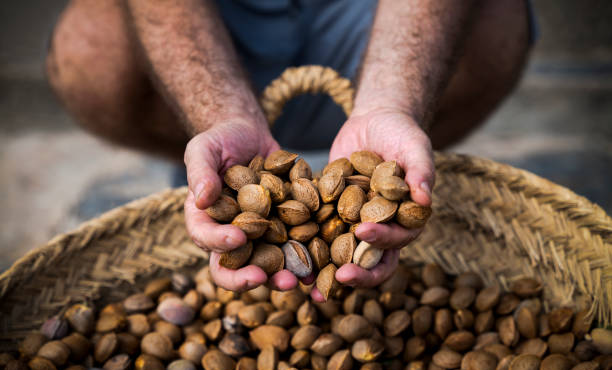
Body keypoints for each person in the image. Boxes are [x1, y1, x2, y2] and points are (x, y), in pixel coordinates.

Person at [46, 0, 534, 300]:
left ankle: (402, 153)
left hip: (371, 16)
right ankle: (208, 162)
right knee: (90, 51)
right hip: (221, 22)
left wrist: (392, 101)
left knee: (499, 22)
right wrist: (221, 116)